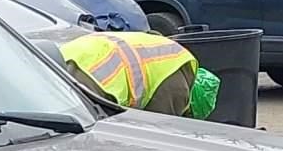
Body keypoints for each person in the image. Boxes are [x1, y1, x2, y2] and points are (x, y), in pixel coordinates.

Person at [59, 28, 218, 118]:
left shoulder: (174, 56)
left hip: (66, 55)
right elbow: (154, 131)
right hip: (99, 77)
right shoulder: (177, 90)